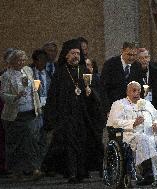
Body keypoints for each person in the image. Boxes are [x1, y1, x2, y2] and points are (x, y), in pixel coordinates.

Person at [43, 39, 104, 183]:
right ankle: (71, 173)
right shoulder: (59, 73)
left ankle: (81, 171)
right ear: (66, 55)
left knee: (82, 144)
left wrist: (90, 92)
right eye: (73, 53)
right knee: (69, 144)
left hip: (82, 115)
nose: (76, 56)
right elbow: (53, 97)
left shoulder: (84, 71)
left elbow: (96, 93)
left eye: (78, 53)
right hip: (66, 116)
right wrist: (52, 118)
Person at [107, 81, 157, 186]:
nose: (137, 93)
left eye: (139, 91)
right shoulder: (119, 104)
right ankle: (148, 173)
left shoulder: (146, 103)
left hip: (151, 134)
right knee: (143, 139)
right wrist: (133, 123)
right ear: (127, 92)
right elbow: (114, 122)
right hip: (131, 135)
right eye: (134, 91)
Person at [0, 49, 42, 180]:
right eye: (19, 60)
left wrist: (36, 90)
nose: (22, 62)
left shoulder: (28, 71)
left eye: (23, 60)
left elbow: (33, 85)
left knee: (31, 139)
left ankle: (35, 168)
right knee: (15, 143)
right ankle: (16, 170)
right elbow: (3, 95)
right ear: (12, 61)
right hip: (14, 114)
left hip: (30, 110)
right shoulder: (6, 76)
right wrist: (15, 96)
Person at [101, 41, 144, 113]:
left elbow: (140, 88)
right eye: (129, 54)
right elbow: (103, 89)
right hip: (114, 108)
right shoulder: (110, 64)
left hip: (131, 109)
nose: (131, 57)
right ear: (123, 51)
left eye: (134, 55)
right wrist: (107, 110)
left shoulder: (137, 66)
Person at [137, 48, 157, 137]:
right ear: (138, 59)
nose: (144, 60)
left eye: (146, 57)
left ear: (149, 58)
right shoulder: (134, 70)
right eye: (141, 58)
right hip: (142, 106)